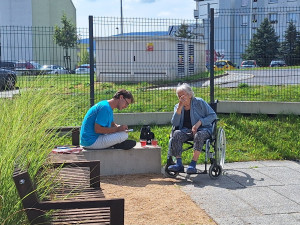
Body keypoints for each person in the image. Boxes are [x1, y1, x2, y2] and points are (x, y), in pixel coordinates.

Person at [168, 83, 217, 174]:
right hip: (186, 131)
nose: (181, 98)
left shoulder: (199, 102)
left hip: (203, 130)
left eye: (183, 95)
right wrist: (179, 107)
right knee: (176, 134)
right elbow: (175, 123)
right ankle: (179, 164)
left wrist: (199, 123)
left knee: (199, 135)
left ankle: (193, 164)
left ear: (190, 95)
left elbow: (213, 116)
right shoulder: (177, 106)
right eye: (179, 96)